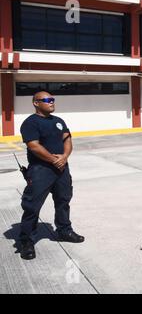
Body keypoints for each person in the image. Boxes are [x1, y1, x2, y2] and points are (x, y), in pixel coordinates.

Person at [19, 91, 84, 260]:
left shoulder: (58, 121)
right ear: (36, 103)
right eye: (47, 100)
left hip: (62, 169)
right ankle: (26, 241)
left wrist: (64, 157)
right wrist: (53, 160)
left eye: (52, 99)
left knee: (63, 200)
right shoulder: (30, 123)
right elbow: (33, 146)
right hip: (41, 170)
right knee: (32, 206)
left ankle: (64, 231)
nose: (51, 102)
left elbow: (67, 139)